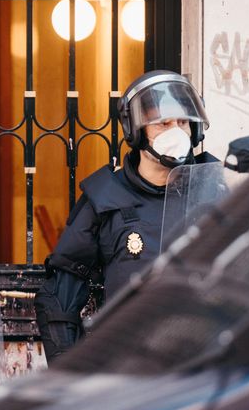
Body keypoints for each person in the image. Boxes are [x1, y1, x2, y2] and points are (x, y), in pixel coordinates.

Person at [34, 70, 219, 362]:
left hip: (203, 368)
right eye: (163, 123)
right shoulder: (105, 199)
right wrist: (69, 376)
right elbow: (60, 296)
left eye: (183, 122)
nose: (176, 132)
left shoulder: (217, 192)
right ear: (136, 130)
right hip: (128, 368)